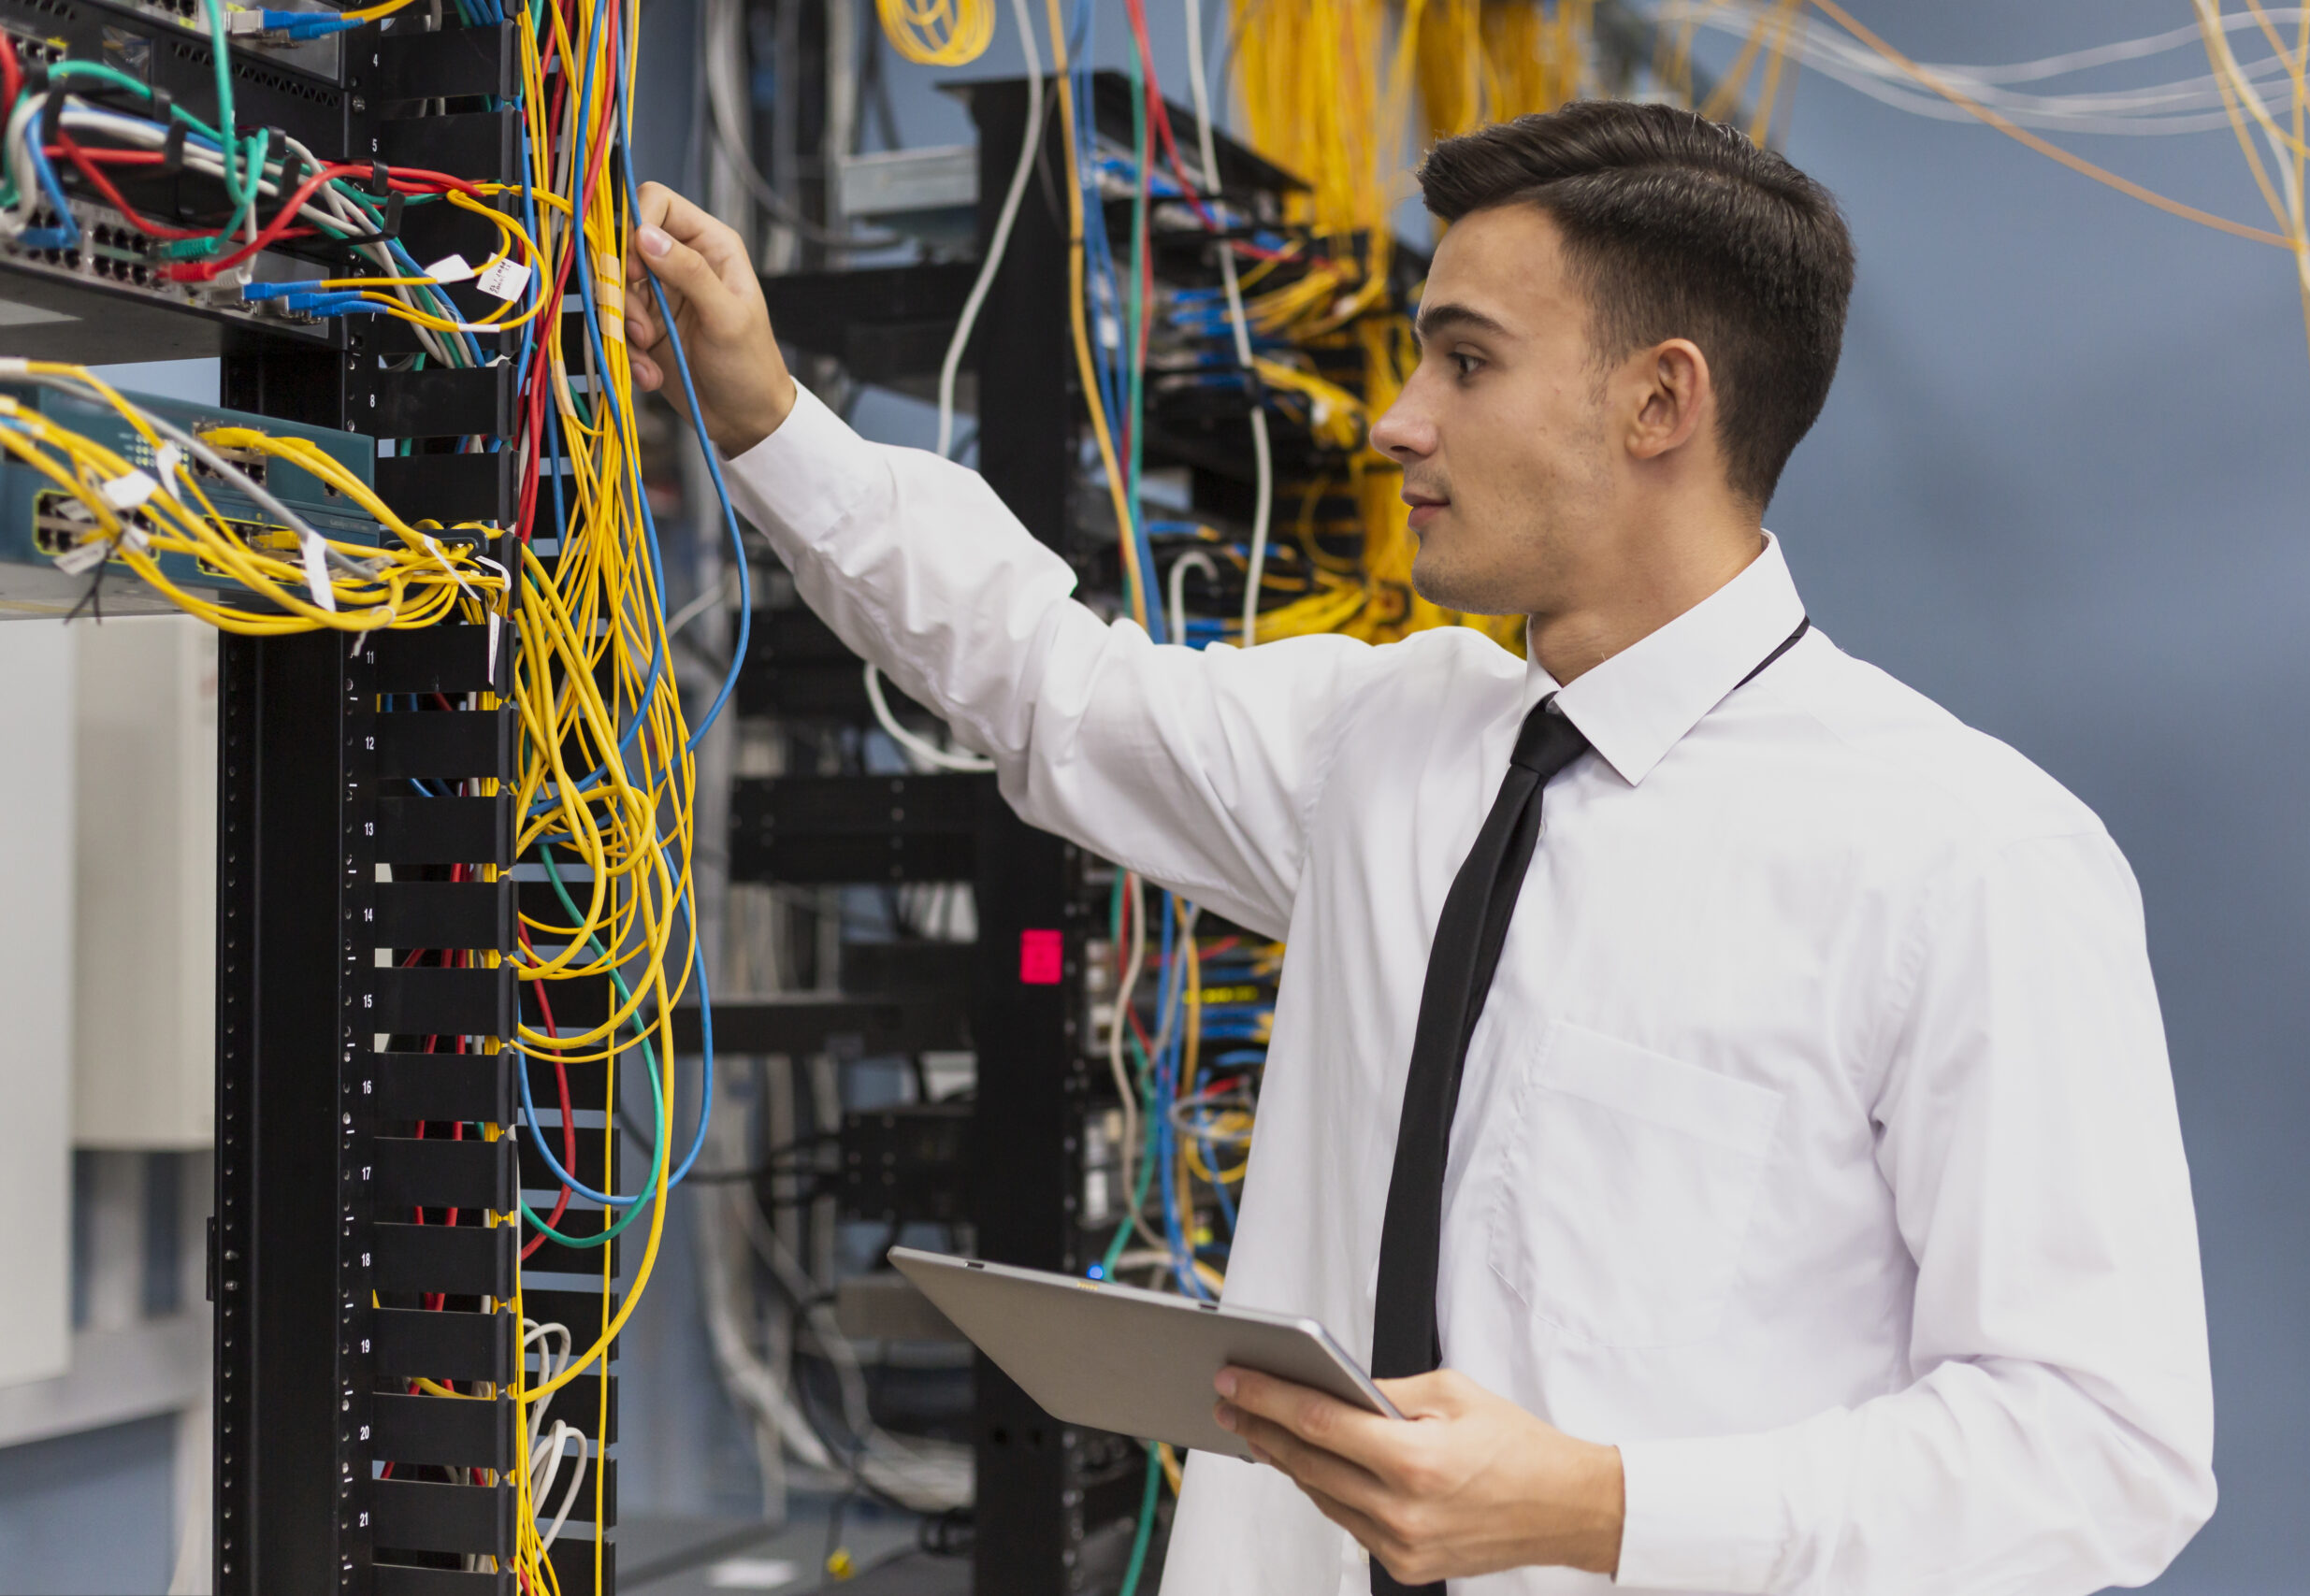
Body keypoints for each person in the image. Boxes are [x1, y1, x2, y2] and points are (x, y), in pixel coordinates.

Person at [623, 100, 2215, 1596]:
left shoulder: (1966, 858)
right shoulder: (1390, 743)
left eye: (1464, 363)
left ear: (1661, 400)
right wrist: (764, 413)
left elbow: (2102, 1449)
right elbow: (1053, 684)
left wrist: (1597, 1504)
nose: (1396, 425)